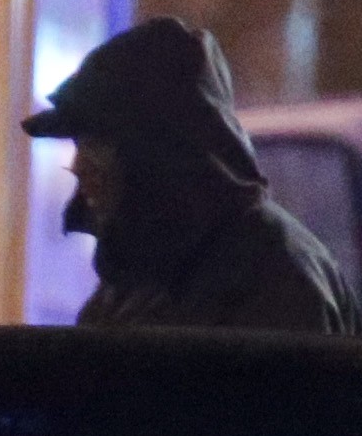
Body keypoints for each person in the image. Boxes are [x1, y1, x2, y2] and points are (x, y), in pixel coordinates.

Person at [26, 17, 356, 331]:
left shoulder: (277, 276)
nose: (79, 166)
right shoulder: (134, 279)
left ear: (160, 150)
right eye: (79, 143)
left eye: (99, 143)